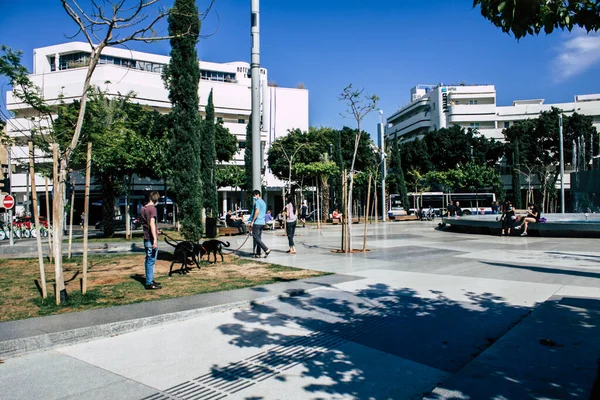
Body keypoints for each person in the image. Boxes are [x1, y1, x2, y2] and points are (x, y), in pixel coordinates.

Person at [140, 191, 162, 290]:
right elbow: (152, 224)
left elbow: (147, 224)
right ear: (155, 199)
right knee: (151, 260)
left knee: (149, 259)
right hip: (151, 238)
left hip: (146, 237)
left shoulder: (143, 208)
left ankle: (150, 279)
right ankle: (149, 283)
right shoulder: (152, 209)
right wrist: (155, 240)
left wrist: (157, 231)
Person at [249, 190, 271, 258]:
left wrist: (252, 221)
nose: (254, 197)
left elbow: (257, 211)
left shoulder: (258, 202)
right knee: (259, 238)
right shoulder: (263, 202)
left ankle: (266, 249)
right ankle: (258, 253)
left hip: (257, 222)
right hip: (262, 222)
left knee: (256, 238)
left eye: (254, 195)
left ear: (257, 194)